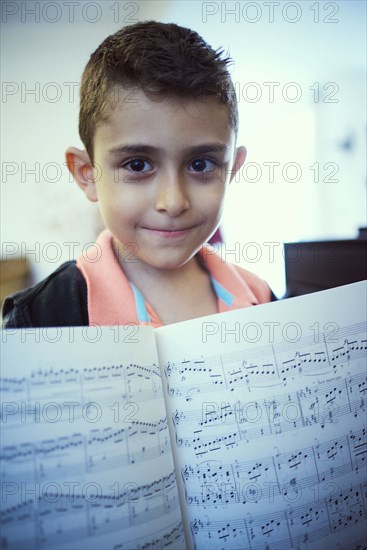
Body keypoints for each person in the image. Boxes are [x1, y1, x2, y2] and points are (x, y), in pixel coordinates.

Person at [2, 21, 275, 329]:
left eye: (200, 164)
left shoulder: (263, 299)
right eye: (137, 165)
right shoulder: (40, 317)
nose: (173, 202)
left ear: (231, 170)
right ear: (87, 174)